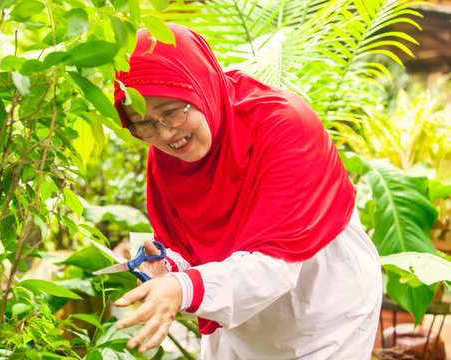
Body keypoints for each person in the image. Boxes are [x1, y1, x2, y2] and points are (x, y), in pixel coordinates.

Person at [111, 24, 382, 359]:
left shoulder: (284, 126)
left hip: (325, 311)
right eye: (144, 123)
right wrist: (167, 265)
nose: (165, 135)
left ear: (199, 87)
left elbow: (277, 261)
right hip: (243, 321)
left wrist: (182, 288)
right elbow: (193, 247)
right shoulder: (168, 157)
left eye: (172, 113)